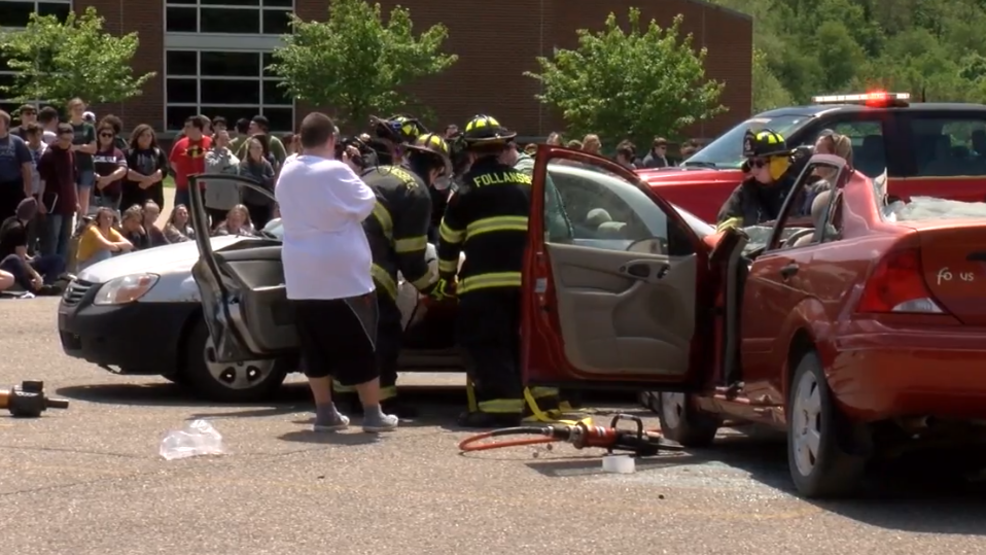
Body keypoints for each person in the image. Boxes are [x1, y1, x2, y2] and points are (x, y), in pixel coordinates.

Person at [275, 112, 398, 433]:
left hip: (301, 274)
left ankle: (324, 411)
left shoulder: (286, 171)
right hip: (342, 275)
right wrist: (352, 169)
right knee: (360, 343)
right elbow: (365, 203)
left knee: (313, 345)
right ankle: (373, 412)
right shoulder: (336, 171)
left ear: (300, 140)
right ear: (331, 139)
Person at [335, 132, 451, 417]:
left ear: (408, 155)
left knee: (347, 333)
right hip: (370, 271)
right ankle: (384, 401)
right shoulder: (419, 192)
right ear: (436, 169)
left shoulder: (375, 173)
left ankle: (344, 398)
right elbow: (410, 258)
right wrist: (437, 289)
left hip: (335, 263)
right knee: (385, 331)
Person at [435, 114, 532, 428]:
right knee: (519, 342)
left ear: (471, 151)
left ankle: (499, 408)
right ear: (503, 147)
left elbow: (448, 240)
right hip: (526, 283)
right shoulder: (527, 183)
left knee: (486, 344)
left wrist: (446, 278)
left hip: (483, 285)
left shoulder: (464, 187)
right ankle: (528, 401)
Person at [716, 128, 796, 232]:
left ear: (778, 163)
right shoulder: (744, 192)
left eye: (759, 163)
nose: (754, 169)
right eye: (751, 163)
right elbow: (725, 224)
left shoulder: (797, 190)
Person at [0, 197, 64, 295]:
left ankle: (45, 284)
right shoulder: (19, 230)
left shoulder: (9, 221)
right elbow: (21, 259)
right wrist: (35, 275)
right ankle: (36, 288)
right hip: (9, 266)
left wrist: (31, 258)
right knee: (15, 259)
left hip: (13, 262)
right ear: (32, 216)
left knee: (56, 259)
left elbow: (15, 249)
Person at [37, 123, 78, 260]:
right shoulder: (49, 154)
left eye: (69, 139)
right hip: (54, 202)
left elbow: (73, 179)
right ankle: (49, 267)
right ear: (58, 137)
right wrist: (40, 199)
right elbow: (43, 179)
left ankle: (61, 267)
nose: (67, 142)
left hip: (68, 201)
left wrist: (76, 200)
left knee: (65, 236)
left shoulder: (71, 153)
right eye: (64, 139)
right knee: (52, 237)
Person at [123, 124, 169, 212]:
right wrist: (144, 180)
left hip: (154, 193)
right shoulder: (128, 152)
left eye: (148, 135)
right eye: (142, 135)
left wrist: (149, 181)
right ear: (136, 136)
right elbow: (126, 170)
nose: (146, 138)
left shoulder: (158, 152)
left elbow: (164, 169)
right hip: (132, 194)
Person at [169, 116, 212, 209]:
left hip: (204, 189)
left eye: (188, 126)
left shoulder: (210, 142)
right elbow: (173, 163)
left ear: (197, 128)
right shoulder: (180, 144)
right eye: (185, 126)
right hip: (184, 188)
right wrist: (183, 174)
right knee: (181, 215)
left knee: (203, 217)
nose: (185, 129)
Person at [203, 129, 241, 228]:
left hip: (231, 200)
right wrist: (222, 155)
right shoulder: (210, 155)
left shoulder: (232, 156)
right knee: (217, 226)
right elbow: (215, 169)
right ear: (215, 140)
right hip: (216, 201)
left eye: (227, 139)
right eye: (222, 139)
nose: (225, 142)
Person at [0, 110, 33, 221]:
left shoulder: (17, 142)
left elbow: (26, 167)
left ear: (6, 125)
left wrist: (28, 190)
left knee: (13, 220)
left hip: (13, 188)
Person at [67, 98, 97, 216]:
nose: (79, 111)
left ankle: (82, 223)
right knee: (72, 197)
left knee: (84, 196)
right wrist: (85, 147)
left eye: (81, 109)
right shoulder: (66, 127)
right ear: (70, 111)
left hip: (86, 166)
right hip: (70, 165)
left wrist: (77, 147)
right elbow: (66, 146)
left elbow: (93, 148)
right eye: (76, 109)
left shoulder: (89, 127)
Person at [238, 136, 276, 228]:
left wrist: (262, 180)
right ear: (249, 150)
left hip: (265, 204)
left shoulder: (266, 164)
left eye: (259, 148)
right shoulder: (245, 164)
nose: (257, 150)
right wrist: (263, 179)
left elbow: (271, 179)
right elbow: (248, 179)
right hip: (250, 203)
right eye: (254, 148)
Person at [92, 123, 128, 211]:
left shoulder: (118, 153)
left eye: (110, 135)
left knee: (109, 220)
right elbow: (84, 169)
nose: (106, 137)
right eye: (104, 134)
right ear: (98, 135)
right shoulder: (92, 151)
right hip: (92, 194)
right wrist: (97, 178)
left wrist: (108, 179)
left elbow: (123, 169)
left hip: (113, 195)